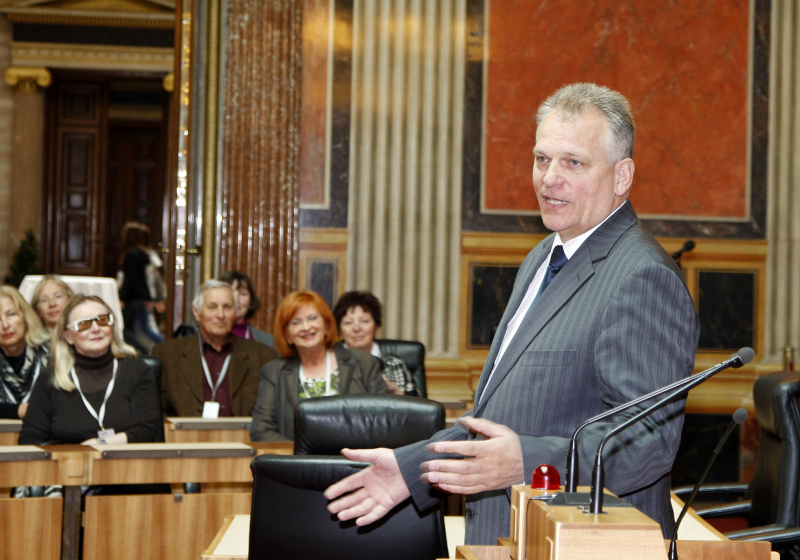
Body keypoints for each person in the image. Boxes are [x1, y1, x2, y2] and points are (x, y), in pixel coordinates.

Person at [324, 83, 700, 544]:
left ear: (622, 176)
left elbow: (647, 443)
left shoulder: (642, 276)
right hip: (514, 539)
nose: (549, 178)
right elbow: (503, 419)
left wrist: (530, 462)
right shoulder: (542, 256)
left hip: (587, 544)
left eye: (573, 162)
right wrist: (411, 469)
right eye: (542, 159)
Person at [19, 294, 161, 445]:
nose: (95, 328)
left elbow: (148, 431)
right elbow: (29, 440)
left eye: (102, 320)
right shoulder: (50, 379)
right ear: (68, 337)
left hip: (129, 465)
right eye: (84, 324)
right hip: (68, 465)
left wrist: (98, 444)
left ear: (112, 327)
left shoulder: (138, 371)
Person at [250, 290, 390, 442]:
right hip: (297, 462)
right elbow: (261, 430)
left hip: (355, 461)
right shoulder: (274, 372)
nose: (306, 327)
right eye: (296, 322)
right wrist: (300, 457)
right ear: (287, 335)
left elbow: (385, 419)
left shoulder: (363, 362)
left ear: (327, 325)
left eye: (312, 318)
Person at [153, 279, 278, 417]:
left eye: (227, 307)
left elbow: (269, 416)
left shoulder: (263, 356)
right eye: (212, 307)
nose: (220, 315)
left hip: (241, 437)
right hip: (185, 437)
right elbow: (157, 414)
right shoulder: (167, 355)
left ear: (235, 313)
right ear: (196, 312)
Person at [332, 290, 418, 396]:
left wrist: (399, 393)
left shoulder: (394, 364)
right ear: (339, 332)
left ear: (376, 328)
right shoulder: (330, 362)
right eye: (348, 322)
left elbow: (419, 408)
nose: (357, 328)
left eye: (364, 321)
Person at [0, 286, 50, 419]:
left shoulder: (50, 354)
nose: (5, 325)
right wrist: (18, 410)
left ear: (25, 317)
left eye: (11, 314)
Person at [118, 221, 165, 354]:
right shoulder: (141, 253)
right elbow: (142, 279)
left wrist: (122, 297)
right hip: (141, 296)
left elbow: (132, 279)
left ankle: (143, 350)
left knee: (126, 329)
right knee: (143, 328)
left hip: (133, 297)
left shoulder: (132, 253)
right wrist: (148, 297)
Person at [218, 270, 276, 351]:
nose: (236, 299)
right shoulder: (202, 339)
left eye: (243, 294)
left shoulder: (269, 343)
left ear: (250, 302)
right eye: (230, 293)